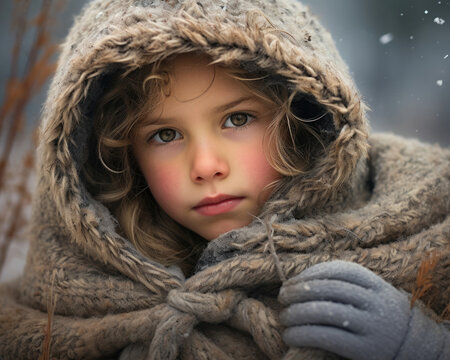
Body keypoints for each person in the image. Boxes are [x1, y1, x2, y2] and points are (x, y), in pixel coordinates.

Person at [0, 0, 448, 359]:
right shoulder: (60, 307)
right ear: (120, 157)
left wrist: (424, 346)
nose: (206, 165)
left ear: (302, 119)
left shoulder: (430, 224)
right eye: (165, 134)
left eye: (237, 119)